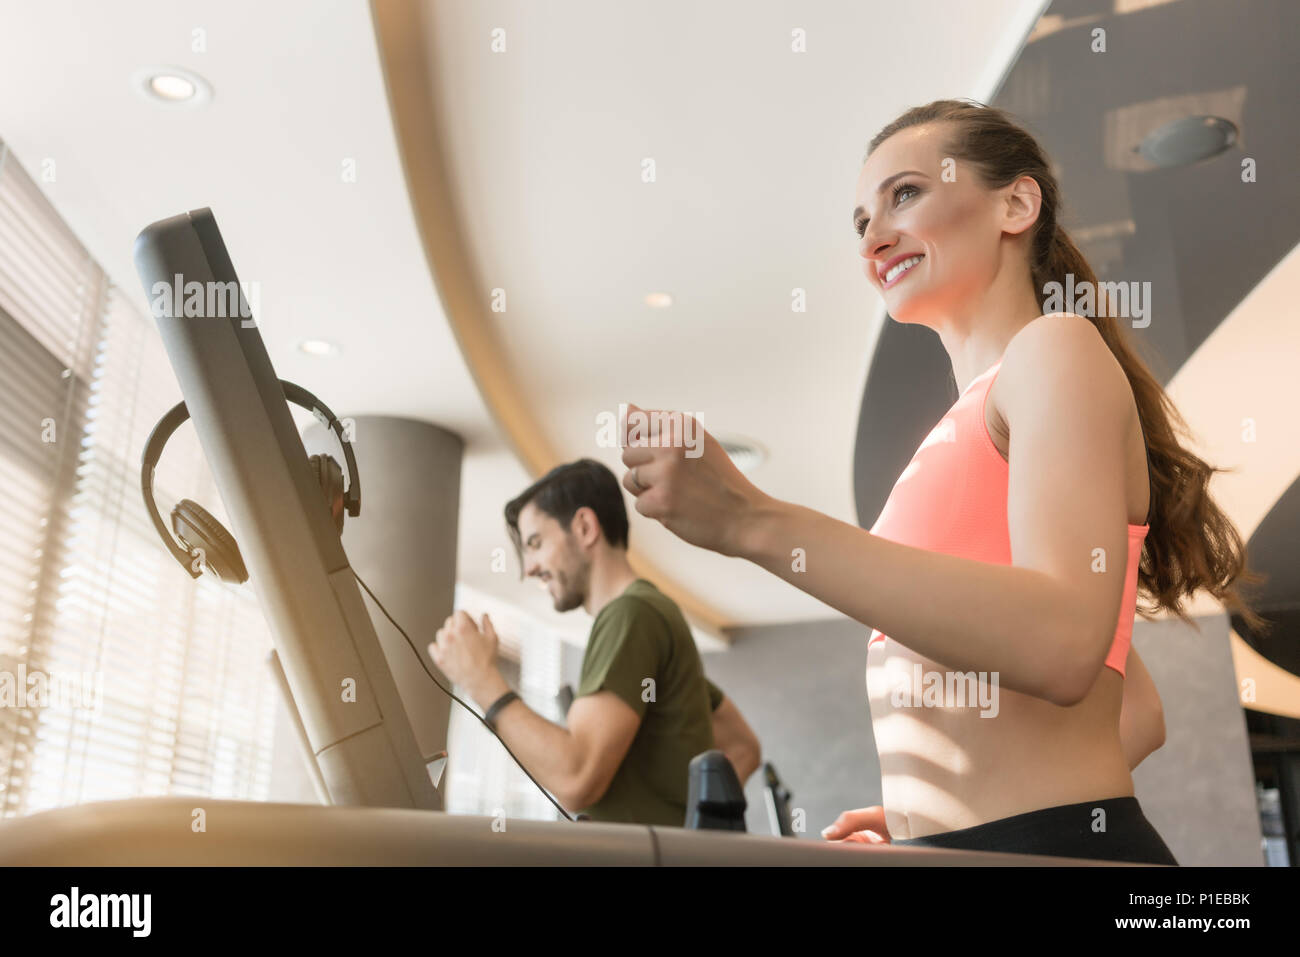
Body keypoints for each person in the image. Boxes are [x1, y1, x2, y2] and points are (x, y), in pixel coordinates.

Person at [617, 99, 1267, 864]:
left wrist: (751, 520)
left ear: (1015, 204)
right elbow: (1138, 706)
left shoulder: (1053, 350)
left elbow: (1062, 645)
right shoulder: (972, 420)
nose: (874, 237)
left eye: (905, 194)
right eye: (860, 221)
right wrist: (939, 813)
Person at [430, 458, 761, 826]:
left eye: (536, 543)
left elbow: (576, 779)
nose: (529, 568)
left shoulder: (631, 614)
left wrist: (481, 680)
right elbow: (741, 745)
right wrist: (697, 828)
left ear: (585, 527)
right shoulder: (651, 617)